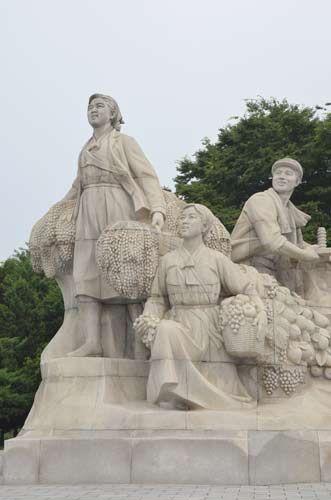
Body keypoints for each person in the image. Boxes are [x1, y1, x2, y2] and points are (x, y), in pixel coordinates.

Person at [63, 93, 166, 356]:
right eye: (90, 107)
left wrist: (158, 209)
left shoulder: (125, 142)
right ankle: (92, 342)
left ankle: (143, 341)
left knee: (125, 270)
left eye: (99, 106)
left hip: (117, 204)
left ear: (113, 114)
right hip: (87, 209)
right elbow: (78, 185)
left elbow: (146, 176)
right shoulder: (85, 147)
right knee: (85, 273)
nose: (93, 110)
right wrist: (61, 209)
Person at [135, 204, 266, 410]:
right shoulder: (168, 260)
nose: (184, 221)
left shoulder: (217, 259)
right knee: (165, 329)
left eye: (191, 217)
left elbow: (246, 288)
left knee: (223, 384)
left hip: (209, 325)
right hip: (179, 322)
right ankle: (173, 392)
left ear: (204, 225)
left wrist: (259, 308)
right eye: (182, 218)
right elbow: (157, 298)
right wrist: (149, 318)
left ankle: (202, 397)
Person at [231, 158, 320, 291]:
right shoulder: (261, 200)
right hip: (250, 267)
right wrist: (306, 255)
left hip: (275, 269)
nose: (281, 177)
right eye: (278, 173)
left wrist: (316, 250)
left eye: (288, 173)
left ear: (297, 182)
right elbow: (272, 241)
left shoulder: (290, 211)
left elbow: (297, 245)